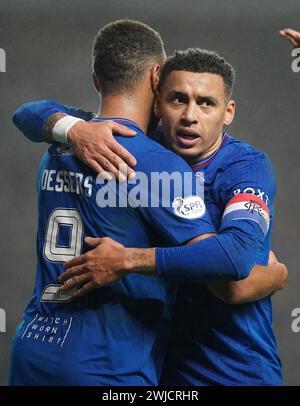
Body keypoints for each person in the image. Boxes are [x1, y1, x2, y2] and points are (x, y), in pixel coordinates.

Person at [13, 47, 287, 385]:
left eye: (206, 103)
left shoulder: (245, 169)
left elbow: (232, 275)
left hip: (233, 371)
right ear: (157, 102)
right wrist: (74, 130)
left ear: (228, 112)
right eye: (177, 99)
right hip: (160, 369)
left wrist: (128, 260)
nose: (190, 115)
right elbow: (28, 113)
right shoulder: (126, 146)